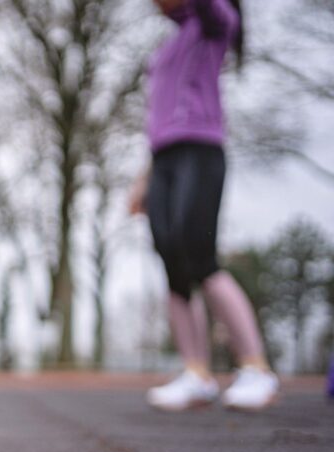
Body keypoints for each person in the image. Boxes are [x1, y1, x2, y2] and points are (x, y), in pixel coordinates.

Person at [129, 0, 278, 411]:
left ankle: (256, 367)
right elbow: (156, 120)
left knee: (199, 256)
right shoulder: (170, 43)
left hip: (201, 150)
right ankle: (196, 373)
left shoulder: (216, 23)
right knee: (171, 262)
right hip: (163, 160)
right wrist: (144, 180)